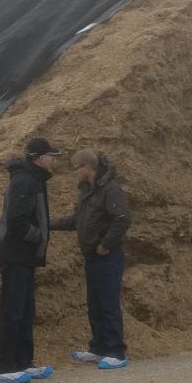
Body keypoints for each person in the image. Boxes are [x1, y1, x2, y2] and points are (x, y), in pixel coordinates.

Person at [50, 148, 131, 369]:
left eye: (77, 168)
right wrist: (47, 223)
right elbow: (77, 220)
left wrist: (105, 245)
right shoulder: (87, 192)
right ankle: (99, 348)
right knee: (95, 304)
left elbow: (122, 219)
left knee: (108, 303)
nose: (75, 173)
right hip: (91, 257)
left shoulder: (111, 189)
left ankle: (116, 351)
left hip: (107, 257)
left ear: (87, 168)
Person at [0, 137, 61, 383]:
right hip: (15, 255)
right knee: (14, 311)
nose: (54, 160)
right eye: (51, 156)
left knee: (26, 310)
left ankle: (23, 362)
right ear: (40, 158)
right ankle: (6, 367)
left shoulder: (33, 180)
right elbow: (17, 220)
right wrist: (38, 236)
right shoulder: (25, 182)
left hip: (25, 257)